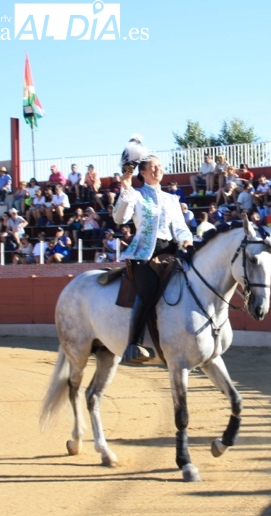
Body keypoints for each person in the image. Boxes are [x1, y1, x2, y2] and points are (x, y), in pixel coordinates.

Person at [113, 138, 193, 364]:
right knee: (147, 292)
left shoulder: (172, 199)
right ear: (143, 173)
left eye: (160, 166)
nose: (158, 169)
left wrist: (186, 240)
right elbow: (120, 218)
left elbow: (179, 226)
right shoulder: (136, 194)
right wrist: (125, 189)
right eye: (153, 167)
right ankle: (133, 344)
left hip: (172, 249)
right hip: (145, 253)